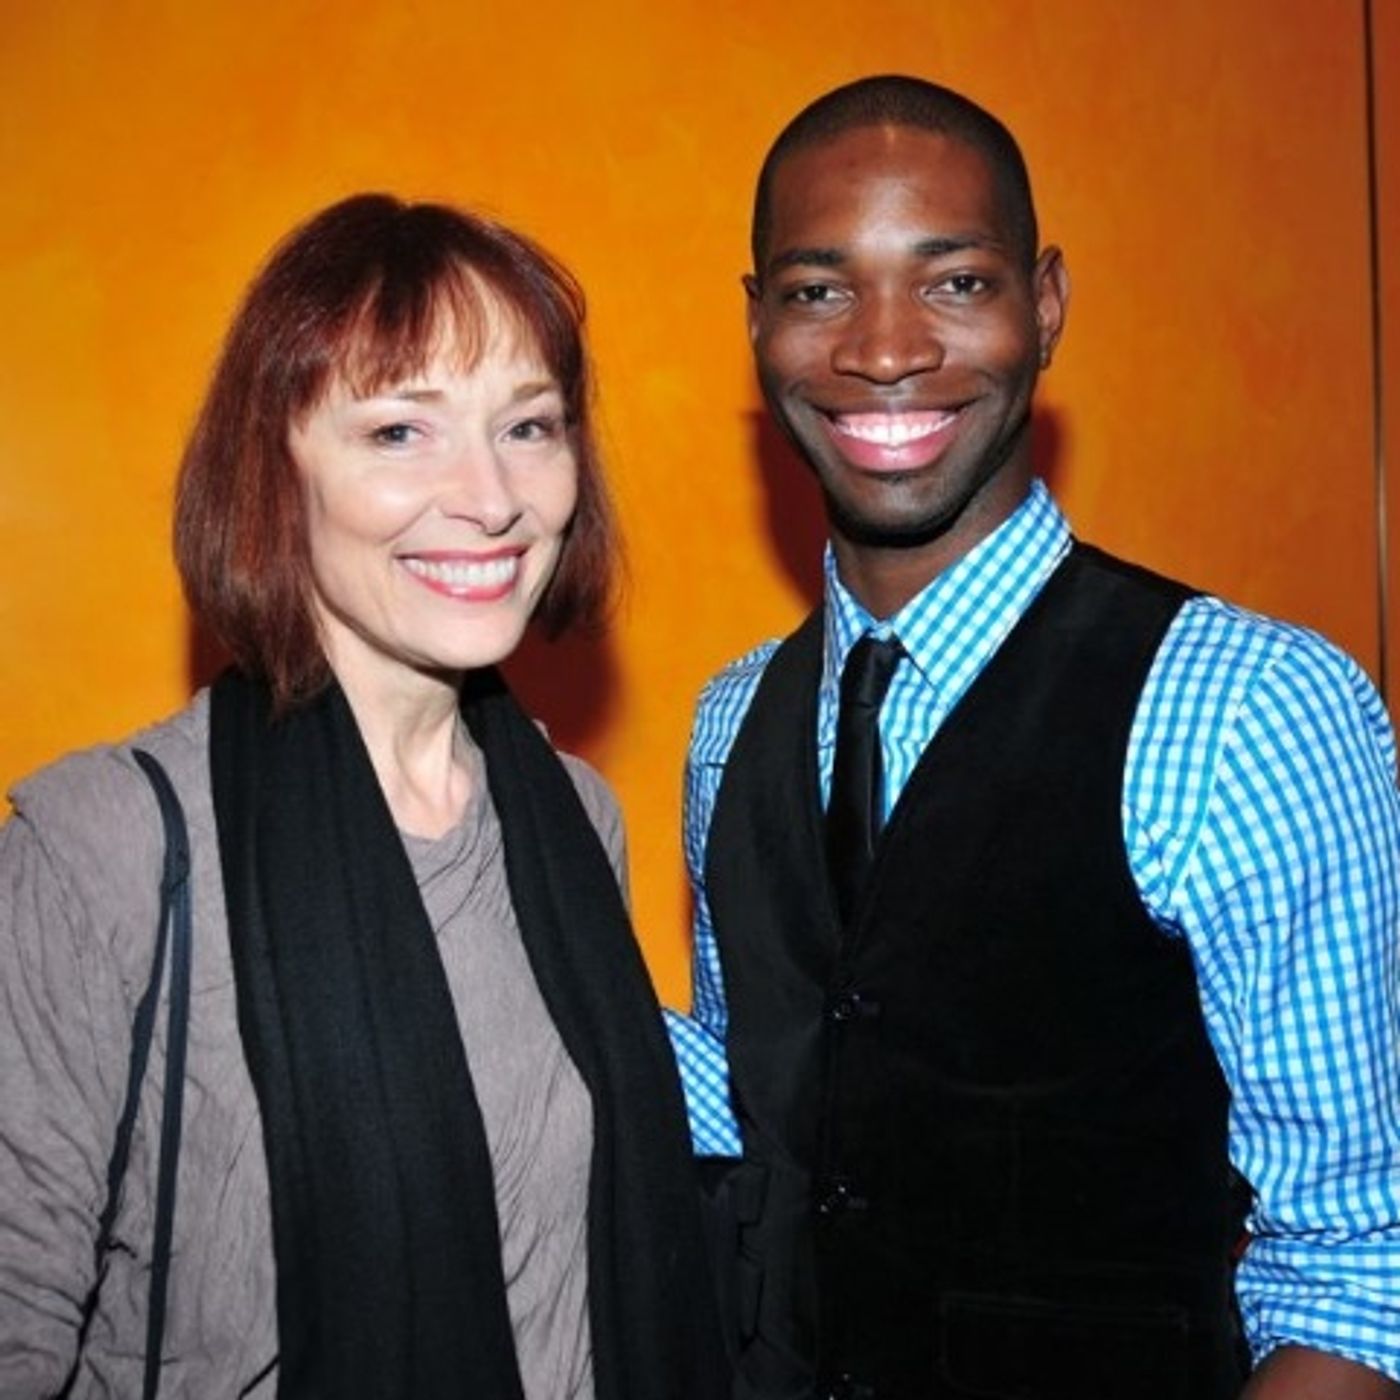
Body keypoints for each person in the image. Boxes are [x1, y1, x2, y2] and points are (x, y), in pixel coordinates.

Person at [666, 75, 1400, 1399]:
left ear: (1045, 305)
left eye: (954, 281)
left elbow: (1360, 1264)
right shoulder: (729, 727)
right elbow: (768, 1112)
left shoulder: (1247, 710)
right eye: (819, 289)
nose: (883, 349)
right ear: (757, 323)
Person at [0, 194, 726, 1400]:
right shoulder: (111, 845)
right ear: (276, 467)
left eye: (529, 426)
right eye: (400, 432)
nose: (489, 496)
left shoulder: (573, 818)